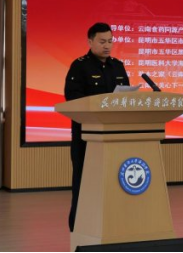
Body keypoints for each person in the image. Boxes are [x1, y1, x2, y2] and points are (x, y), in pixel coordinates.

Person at [64, 22, 130, 232]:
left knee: (113, 183)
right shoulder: (79, 66)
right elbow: (72, 99)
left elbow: (126, 98)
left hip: (114, 136)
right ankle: (79, 229)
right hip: (87, 138)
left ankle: (113, 227)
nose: (107, 46)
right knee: (84, 183)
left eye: (110, 41)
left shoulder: (118, 66)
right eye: (102, 41)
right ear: (90, 41)